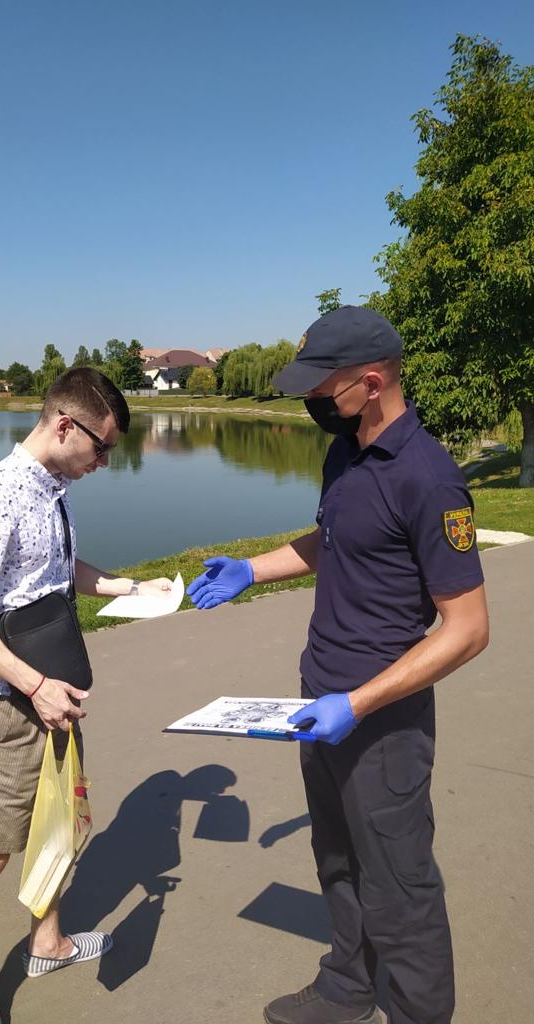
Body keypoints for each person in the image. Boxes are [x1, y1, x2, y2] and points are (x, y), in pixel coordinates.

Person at [186, 306, 489, 1024]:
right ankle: (347, 989)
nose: (311, 402)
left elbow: (469, 629)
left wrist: (358, 702)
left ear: (374, 382)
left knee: (401, 886)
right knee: (339, 860)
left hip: (381, 720)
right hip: (316, 701)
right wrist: (252, 571)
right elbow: (335, 538)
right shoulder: (346, 452)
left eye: (324, 390)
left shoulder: (430, 479)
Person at [0, 367, 172, 1024]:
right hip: (10, 701)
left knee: (56, 827)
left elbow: (56, 570)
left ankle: (48, 943)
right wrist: (35, 686)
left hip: (52, 692)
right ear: (65, 425)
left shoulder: (50, 491)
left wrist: (130, 588)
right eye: (102, 447)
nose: (104, 462)